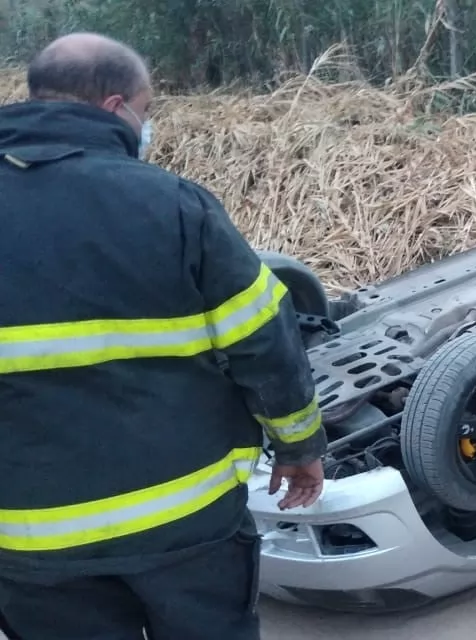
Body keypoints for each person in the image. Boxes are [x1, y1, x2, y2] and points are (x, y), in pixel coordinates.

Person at [0, 32, 328, 639]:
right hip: (186, 525)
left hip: (30, 541)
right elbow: (265, 343)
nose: (145, 127)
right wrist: (300, 449)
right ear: (114, 108)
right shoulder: (173, 206)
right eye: (146, 111)